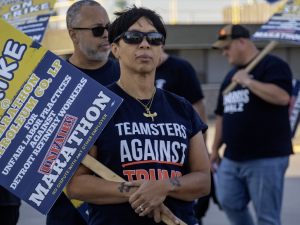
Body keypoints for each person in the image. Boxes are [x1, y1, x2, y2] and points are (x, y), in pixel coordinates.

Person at [66, 5, 210, 225]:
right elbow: (76, 185)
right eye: (133, 37)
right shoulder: (97, 107)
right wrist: (142, 192)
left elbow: (202, 180)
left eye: (154, 38)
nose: (145, 44)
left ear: (161, 49)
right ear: (115, 49)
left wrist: (164, 186)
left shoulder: (182, 107)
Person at [210, 24, 293, 225]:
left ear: (241, 42)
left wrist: (249, 82)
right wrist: (215, 149)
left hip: (266, 157)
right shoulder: (231, 76)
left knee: (266, 217)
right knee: (228, 202)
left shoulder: (272, 65)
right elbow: (222, 115)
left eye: (227, 47)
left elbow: (282, 97)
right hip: (232, 157)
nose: (224, 53)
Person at [47, 1, 120, 225]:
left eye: (110, 28)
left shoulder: (127, 75)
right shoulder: (51, 81)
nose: (107, 35)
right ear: (74, 35)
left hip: (120, 209)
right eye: (98, 30)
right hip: (67, 210)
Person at [155, 52, 210, 224]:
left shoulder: (180, 68)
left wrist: (203, 149)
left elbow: (197, 107)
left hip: (178, 154)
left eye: (153, 38)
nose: (144, 44)